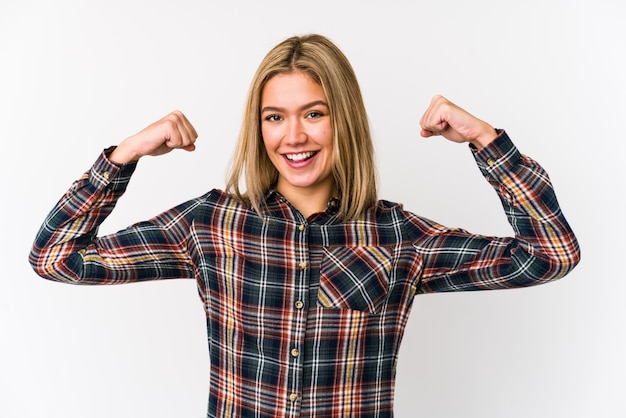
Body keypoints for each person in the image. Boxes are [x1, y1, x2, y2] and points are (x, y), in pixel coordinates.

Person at [29, 34, 580, 417]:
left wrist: (486, 140)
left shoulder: (398, 237)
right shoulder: (212, 225)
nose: (294, 136)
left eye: (314, 113)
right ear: (260, 127)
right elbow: (55, 257)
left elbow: (549, 253)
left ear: (344, 119)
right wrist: (125, 155)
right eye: (275, 117)